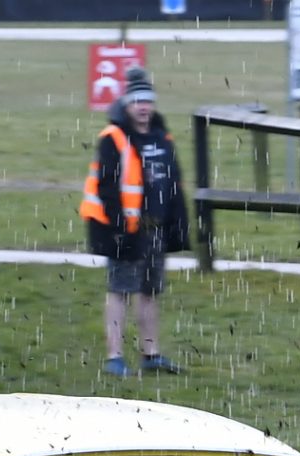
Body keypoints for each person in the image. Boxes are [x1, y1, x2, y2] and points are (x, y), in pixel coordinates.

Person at [80, 66, 190, 378]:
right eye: (137, 100)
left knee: (150, 291)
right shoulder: (112, 138)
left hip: (155, 229)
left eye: (148, 101)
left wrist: (176, 224)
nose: (143, 107)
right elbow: (107, 187)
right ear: (126, 104)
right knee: (119, 291)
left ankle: (150, 353)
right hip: (123, 231)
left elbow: (174, 182)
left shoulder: (161, 137)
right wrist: (120, 229)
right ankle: (114, 357)